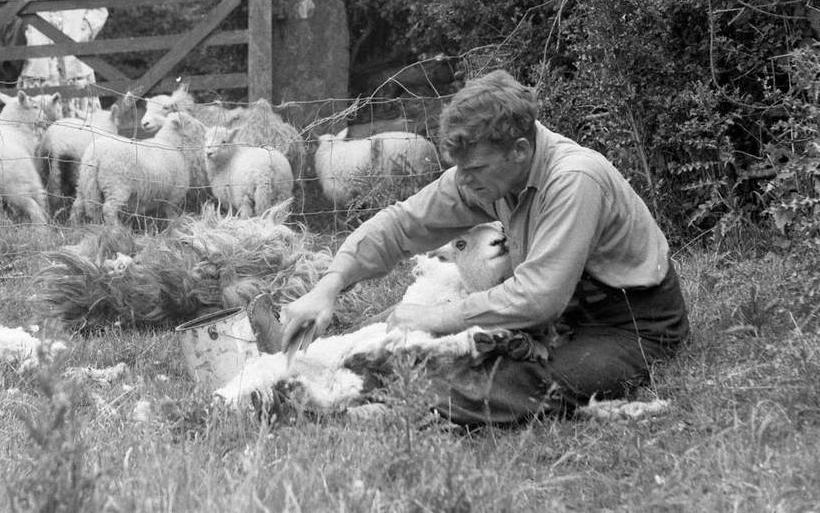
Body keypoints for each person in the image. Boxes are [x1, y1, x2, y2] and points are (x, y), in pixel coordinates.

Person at [280, 69, 689, 425]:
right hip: (565, 321)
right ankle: (365, 384)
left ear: (520, 151)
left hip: (631, 325)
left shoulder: (573, 179)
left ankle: (381, 404)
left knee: (517, 384)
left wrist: (436, 317)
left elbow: (538, 298)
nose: (464, 180)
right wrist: (328, 287)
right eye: (460, 168)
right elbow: (403, 224)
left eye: (475, 168)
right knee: (411, 337)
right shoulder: (489, 174)